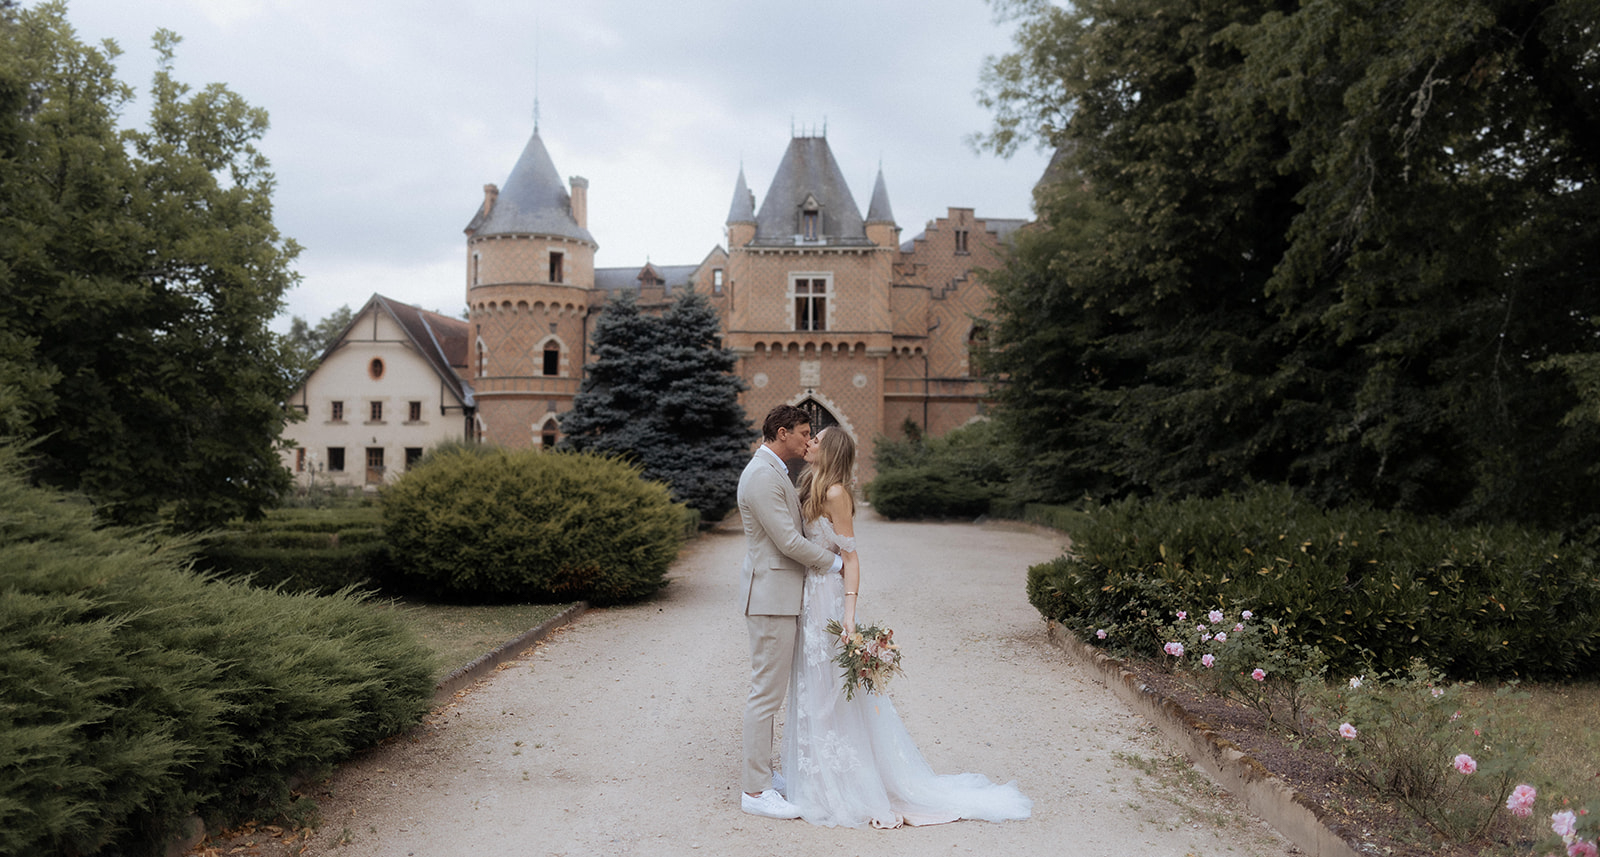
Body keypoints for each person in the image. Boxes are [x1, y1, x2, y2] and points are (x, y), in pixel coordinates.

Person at [781, 426, 1032, 828]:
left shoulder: (835, 494)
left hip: (828, 598)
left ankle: (846, 783)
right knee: (813, 684)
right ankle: (815, 778)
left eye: (816, 439)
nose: (808, 442)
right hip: (810, 596)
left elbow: (852, 559)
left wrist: (849, 614)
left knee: (832, 690)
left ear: (830, 450)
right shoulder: (809, 484)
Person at [736, 405, 842, 819]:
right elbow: (787, 541)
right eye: (802, 433)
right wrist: (836, 563)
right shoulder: (762, 476)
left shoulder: (775, 469)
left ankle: (762, 775)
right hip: (770, 598)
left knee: (771, 692)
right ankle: (756, 792)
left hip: (780, 596)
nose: (807, 440)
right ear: (782, 433)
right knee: (765, 694)